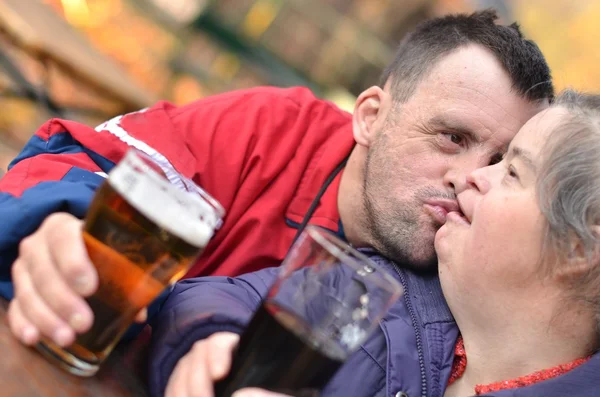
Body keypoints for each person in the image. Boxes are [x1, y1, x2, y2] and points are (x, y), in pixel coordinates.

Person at [2, 10, 552, 351]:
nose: (468, 178)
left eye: (500, 163)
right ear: (371, 117)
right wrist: (58, 225)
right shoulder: (273, 131)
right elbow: (80, 161)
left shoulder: (483, 277)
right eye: (451, 137)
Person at [148, 90, 600, 397]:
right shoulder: (379, 288)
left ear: (582, 247)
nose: (473, 177)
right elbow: (213, 296)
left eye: (512, 171)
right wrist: (212, 342)